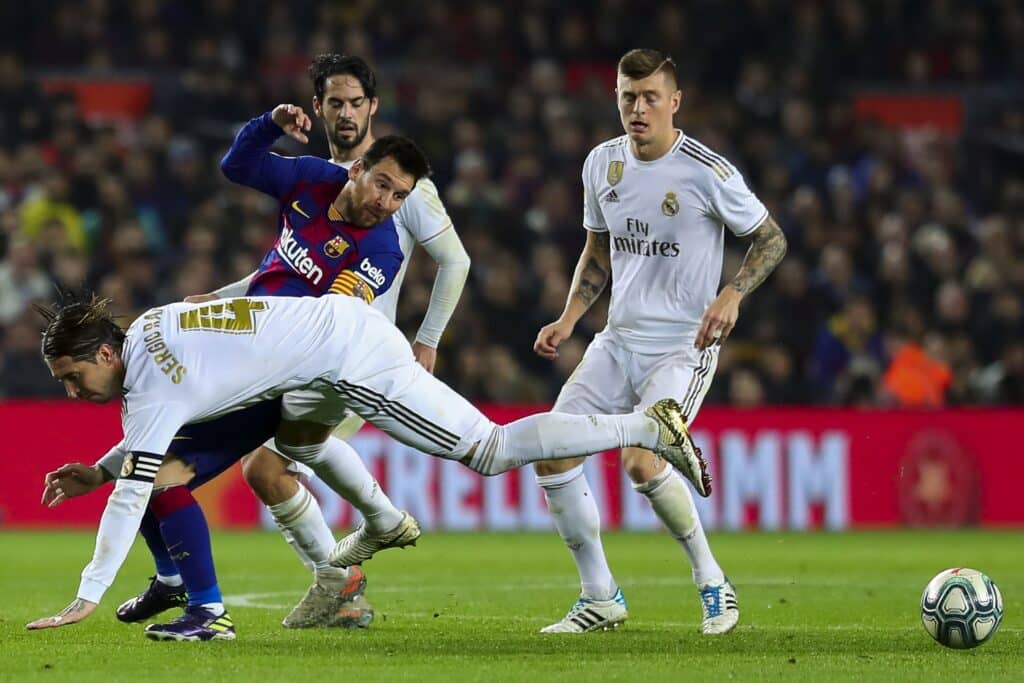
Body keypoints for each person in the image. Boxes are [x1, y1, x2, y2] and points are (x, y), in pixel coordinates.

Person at [25, 291, 708, 639]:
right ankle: (372, 528)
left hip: (348, 361)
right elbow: (152, 445)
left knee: (491, 449)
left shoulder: (149, 386)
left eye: (71, 374)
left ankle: (645, 424)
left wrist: (86, 592)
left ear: (105, 355)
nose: (71, 390)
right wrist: (106, 466)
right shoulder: (148, 329)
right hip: (320, 354)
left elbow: (131, 490)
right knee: (290, 445)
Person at [39, 104, 431, 639]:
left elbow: (331, 320)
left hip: (289, 369)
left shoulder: (380, 250)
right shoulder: (315, 180)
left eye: (399, 196)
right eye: (382, 185)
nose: (385, 204)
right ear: (356, 170)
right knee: (254, 473)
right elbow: (238, 166)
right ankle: (204, 582)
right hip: (240, 350)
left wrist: (87, 594)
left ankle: (215, 600)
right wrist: (271, 124)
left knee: (191, 472)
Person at [201, 54, 470, 625]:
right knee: (266, 470)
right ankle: (345, 581)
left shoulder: (404, 187)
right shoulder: (323, 176)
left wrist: (428, 341)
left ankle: (351, 568)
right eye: (335, 103)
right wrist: (227, 299)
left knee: (268, 467)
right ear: (318, 107)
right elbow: (285, 275)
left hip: (352, 355)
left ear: (373, 105)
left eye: (356, 103)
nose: (346, 114)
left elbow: (455, 261)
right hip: (298, 348)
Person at [531, 49, 787, 635]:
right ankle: (600, 596)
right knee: (552, 450)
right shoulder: (601, 165)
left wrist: (732, 294)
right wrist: (570, 317)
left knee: (641, 462)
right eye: (628, 96)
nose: (638, 108)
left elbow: (771, 240)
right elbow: (597, 251)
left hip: (681, 347)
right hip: (616, 340)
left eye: (650, 97)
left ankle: (713, 581)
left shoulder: (708, 171)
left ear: (675, 102)